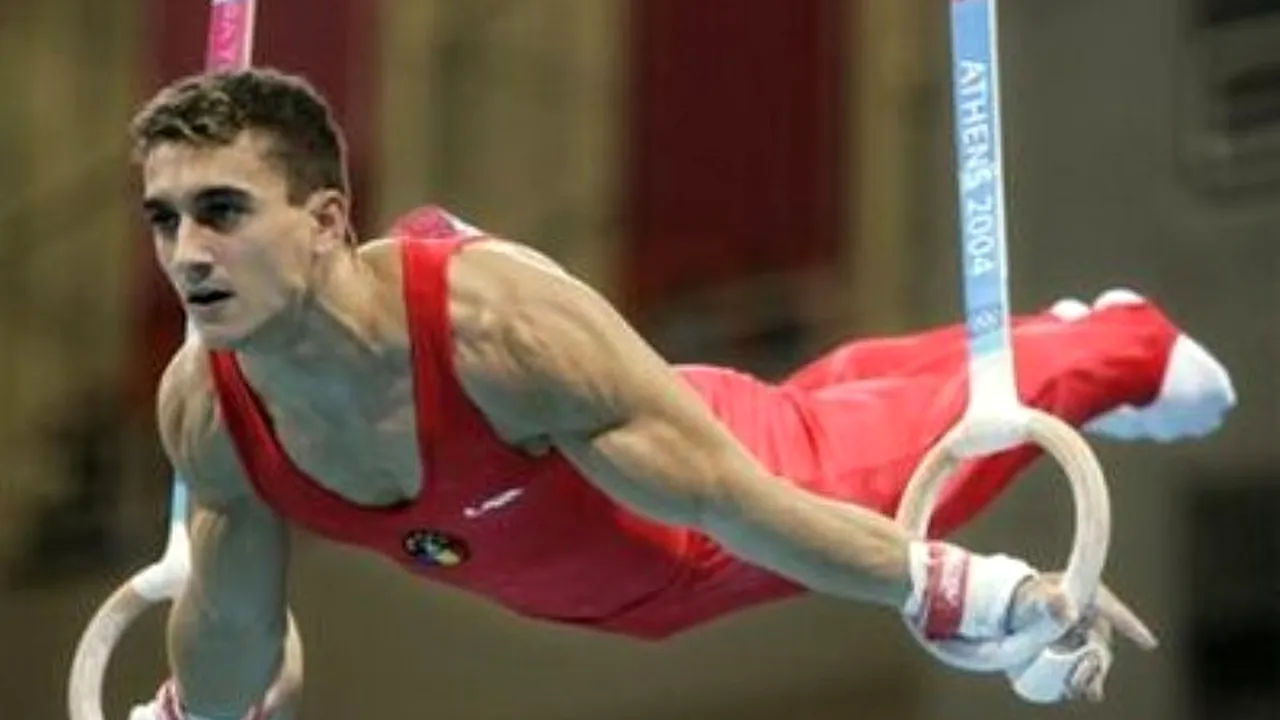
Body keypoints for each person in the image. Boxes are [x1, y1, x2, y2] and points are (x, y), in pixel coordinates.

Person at [125, 68, 1235, 720]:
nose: (185, 254)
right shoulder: (206, 409)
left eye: (222, 211)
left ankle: (1121, 347)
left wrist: (951, 588)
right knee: (844, 400)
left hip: (711, 528)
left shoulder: (491, 337)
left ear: (326, 221)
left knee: (903, 447)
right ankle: (1068, 338)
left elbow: (726, 500)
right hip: (607, 569)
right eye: (164, 219)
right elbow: (231, 628)